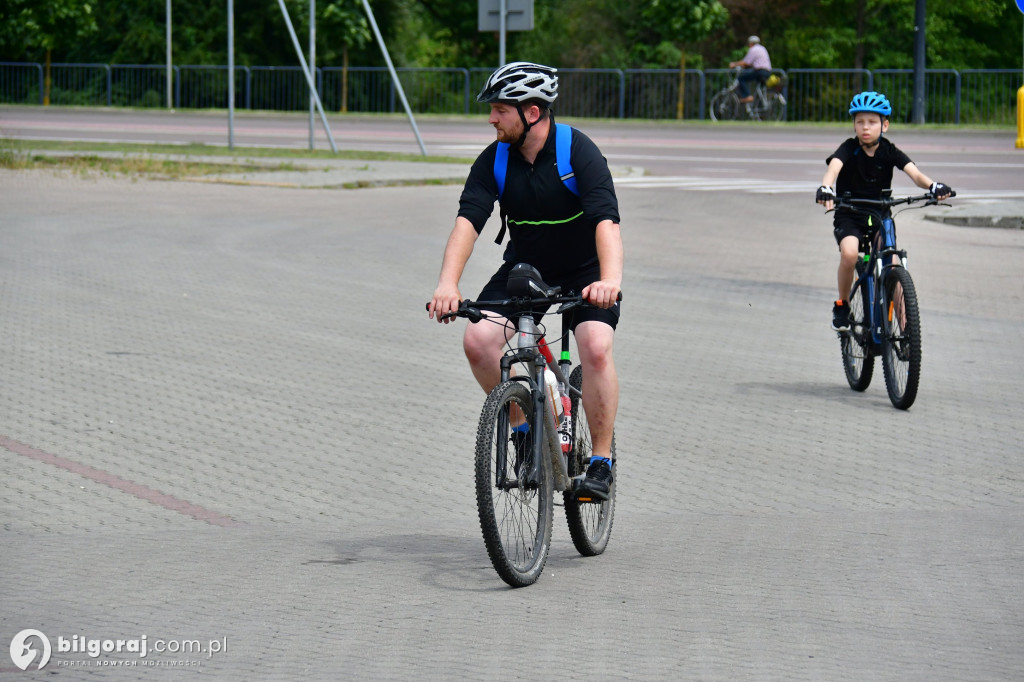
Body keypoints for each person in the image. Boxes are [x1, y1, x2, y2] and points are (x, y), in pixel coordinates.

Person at [428, 62, 623, 500]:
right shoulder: (495, 158)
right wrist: (448, 285)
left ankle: (601, 462)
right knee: (479, 341)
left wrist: (609, 279)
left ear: (532, 112)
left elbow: (606, 223)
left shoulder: (578, 152)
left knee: (594, 344)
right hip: (527, 270)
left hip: (587, 273)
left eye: (500, 109)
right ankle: (522, 427)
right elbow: (467, 222)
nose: (492, 118)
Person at [816, 91, 953, 331]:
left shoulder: (889, 151)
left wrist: (933, 186)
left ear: (885, 125)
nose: (865, 127)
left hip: (880, 214)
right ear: (854, 125)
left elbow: (915, 174)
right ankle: (842, 305)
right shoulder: (849, 148)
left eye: (872, 122)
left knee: (892, 263)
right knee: (849, 254)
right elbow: (834, 168)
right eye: (860, 122)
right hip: (850, 213)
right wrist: (826, 187)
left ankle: (908, 330)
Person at [729, 35, 772, 103]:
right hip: (767, 71)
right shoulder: (763, 48)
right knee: (758, 87)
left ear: (751, 43)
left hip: (760, 71)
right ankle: (757, 106)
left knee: (741, 78)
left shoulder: (753, 49)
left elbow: (746, 62)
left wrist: (734, 64)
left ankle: (747, 96)